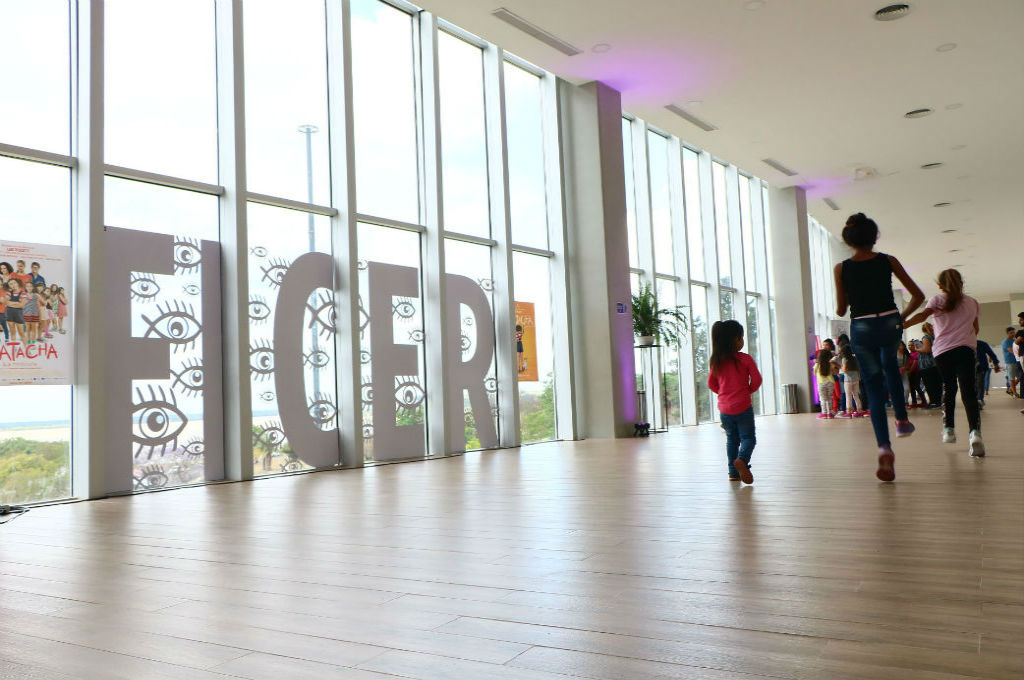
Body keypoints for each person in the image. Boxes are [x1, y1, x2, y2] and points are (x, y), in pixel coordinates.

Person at [834, 213, 924, 482]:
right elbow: (918, 296)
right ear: (874, 238)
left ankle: (884, 447)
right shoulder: (888, 260)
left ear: (848, 241)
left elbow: (841, 309)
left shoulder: (842, 268)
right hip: (888, 321)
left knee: (872, 386)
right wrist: (901, 317)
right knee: (891, 367)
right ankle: (902, 421)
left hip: (861, 326)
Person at [905, 269, 984, 457]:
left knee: (949, 388)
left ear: (940, 285)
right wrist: (963, 337)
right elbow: (976, 329)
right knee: (969, 392)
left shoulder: (937, 300)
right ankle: (975, 434)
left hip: (943, 351)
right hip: (965, 350)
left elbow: (921, 317)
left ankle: (949, 429)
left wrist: (902, 324)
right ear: (961, 283)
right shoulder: (972, 302)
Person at [707, 320, 762, 484]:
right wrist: (747, 391)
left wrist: (724, 394)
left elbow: (711, 384)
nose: (742, 341)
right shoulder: (745, 359)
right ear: (735, 339)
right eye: (741, 337)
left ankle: (733, 472)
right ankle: (742, 460)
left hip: (725, 409)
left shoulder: (716, 361)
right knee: (748, 438)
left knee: (732, 440)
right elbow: (757, 380)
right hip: (743, 406)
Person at [837, 343, 865, 417]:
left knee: (848, 396)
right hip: (856, 379)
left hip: (848, 380)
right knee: (856, 395)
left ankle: (849, 412)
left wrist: (840, 367)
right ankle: (859, 410)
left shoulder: (844, 359)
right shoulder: (854, 358)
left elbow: (844, 370)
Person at [918, 322, 942, 407]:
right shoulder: (935, 337)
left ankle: (933, 402)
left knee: (929, 384)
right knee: (937, 383)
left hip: (927, 365)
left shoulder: (926, 337)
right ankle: (938, 401)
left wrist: (917, 349)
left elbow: (927, 350)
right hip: (936, 363)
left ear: (923, 330)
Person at [975, 339, 999, 409]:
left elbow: (991, 354)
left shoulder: (982, 344)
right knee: (974, 384)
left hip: (981, 367)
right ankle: (975, 400)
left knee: (980, 383)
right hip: (969, 368)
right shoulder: (964, 344)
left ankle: (980, 400)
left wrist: (996, 364)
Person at [815, 349, 836, 419]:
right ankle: (829, 413)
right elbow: (834, 372)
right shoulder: (831, 364)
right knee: (829, 398)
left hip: (821, 383)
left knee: (823, 399)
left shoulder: (817, 365)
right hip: (830, 383)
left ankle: (824, 413)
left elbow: (814, 373)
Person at [1002, 327, 1020, 397]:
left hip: (1017, 361)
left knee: (1020, 377)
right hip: (1010, 362)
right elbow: (1012, 351)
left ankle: (1010, 389)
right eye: (1011, 333)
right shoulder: (1006, 342)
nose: (1013, 334)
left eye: (1013, 332)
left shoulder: (1015, 340)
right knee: (1012, 378)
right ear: (1007, 333)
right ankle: (1015, 393)